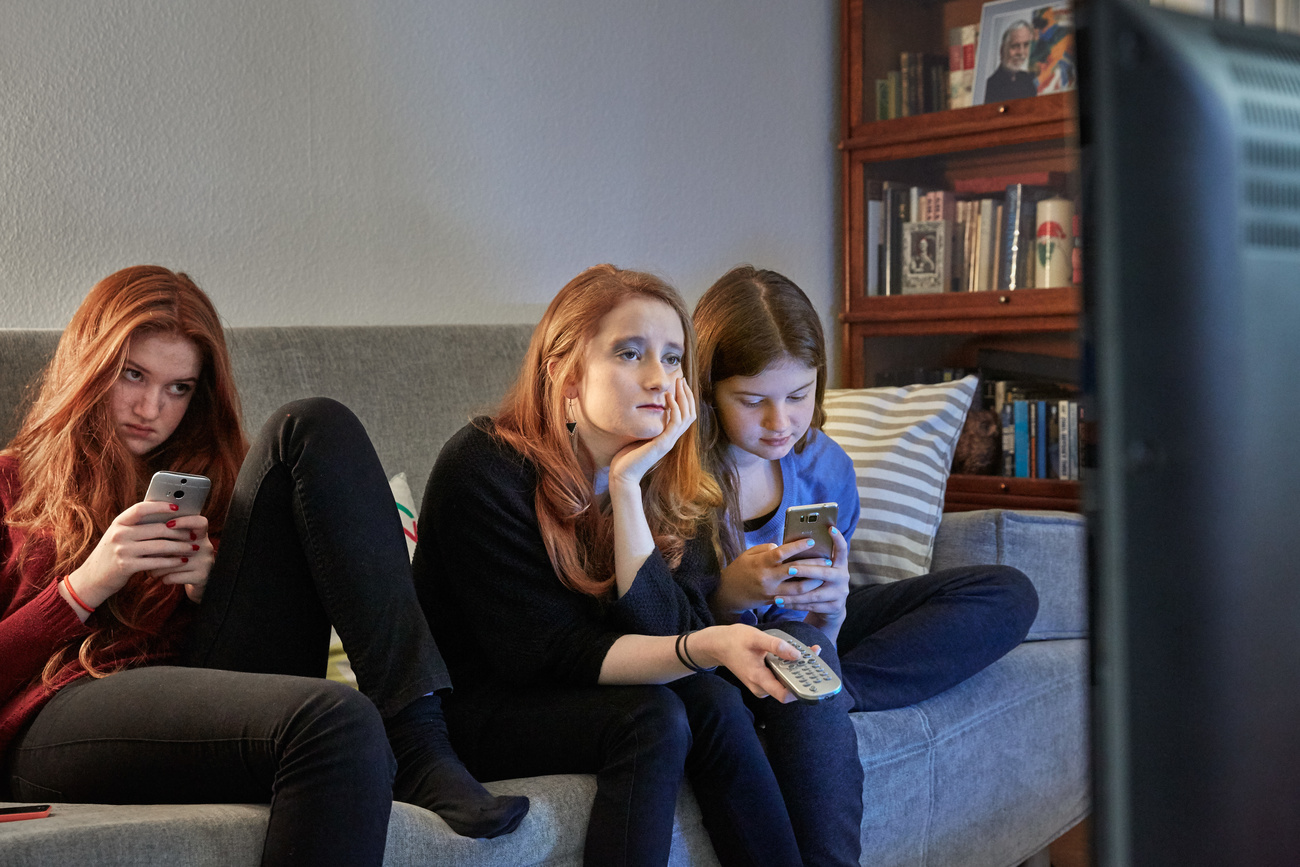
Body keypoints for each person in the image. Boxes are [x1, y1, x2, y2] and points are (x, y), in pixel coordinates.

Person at [0, 266, 528, 867]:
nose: (151, 407)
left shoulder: (220, 483)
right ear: (90, 366)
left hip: (213, 693)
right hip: (62, 715)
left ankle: (421, 740)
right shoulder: (9, 483)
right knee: (338, 719)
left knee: (312, 424)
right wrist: (81, 588)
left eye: (180, 388)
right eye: (133, 375)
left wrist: (212, 585)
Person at [412, 264, 846, 867]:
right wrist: (704, 647)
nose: (657, 378)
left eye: (672, 359)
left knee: (711, 703)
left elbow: (673, 629)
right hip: (486, 707)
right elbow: (546, 657)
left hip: (590, 688)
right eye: (629, 353)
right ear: (564, 373)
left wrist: (627, 486)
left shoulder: (663, 473)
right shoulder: (483, 467)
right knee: (654, 717)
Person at [693, 265, 1039, 731]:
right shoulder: (678, 472)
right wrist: (730, 594)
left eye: (798, 394)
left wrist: (831, 611)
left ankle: (837, 692)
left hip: (813, 635)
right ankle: (805, 699)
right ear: (708, 392)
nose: (781, 422)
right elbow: (669, 628)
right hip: (722, 648)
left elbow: (822, 623)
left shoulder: (825, 465)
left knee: (1006, 593)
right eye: (753, 402)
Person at [984, 20, 1038, 102]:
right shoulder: (989, 88)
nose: (1021, 52)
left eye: (1026, 45)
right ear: (1002, 50)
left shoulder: (1028, 81)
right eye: (1015, 46)